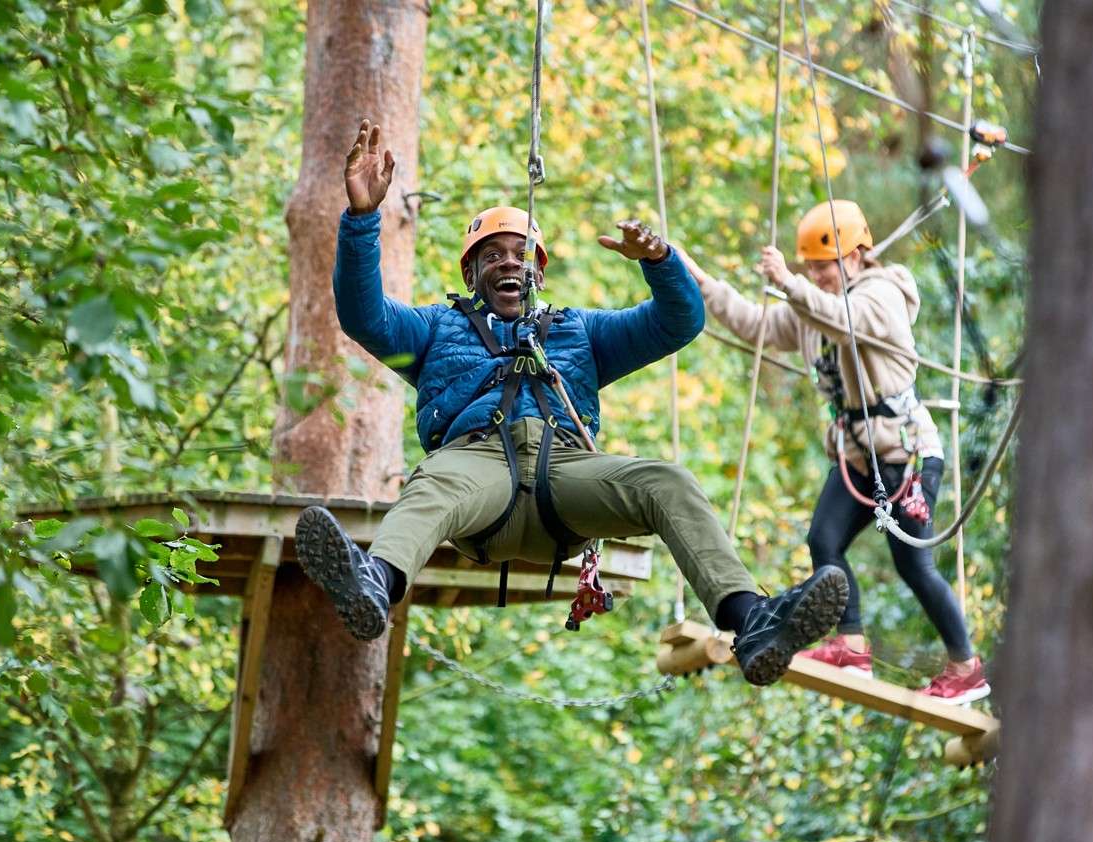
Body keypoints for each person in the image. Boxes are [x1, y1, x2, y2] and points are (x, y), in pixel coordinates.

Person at [293, 119, 849, 686]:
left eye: (521, 254)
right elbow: (364, 317)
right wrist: (362, 219)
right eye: (492, 256)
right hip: (478, 472)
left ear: (538, 269)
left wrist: (660, 263)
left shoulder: (578, 331)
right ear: (471, 272)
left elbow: (678, 323)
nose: (509, 262)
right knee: (432, 484)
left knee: (668, 482)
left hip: (566, 475)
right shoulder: (434, 329)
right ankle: (373, 586)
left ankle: (750, 621)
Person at [679, 200, 989, 704]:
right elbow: (755, 324)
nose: (817, 275)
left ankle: (966, 667)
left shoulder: (882, 293)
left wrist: (790, 284)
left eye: (824, 266)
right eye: (812, 268)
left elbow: (848, 321)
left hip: (905, 453)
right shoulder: (809, 306)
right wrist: (699, 280)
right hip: (858, 456)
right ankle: (850, 646)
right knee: (823, 539)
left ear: (857, 255)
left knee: (913, 565)